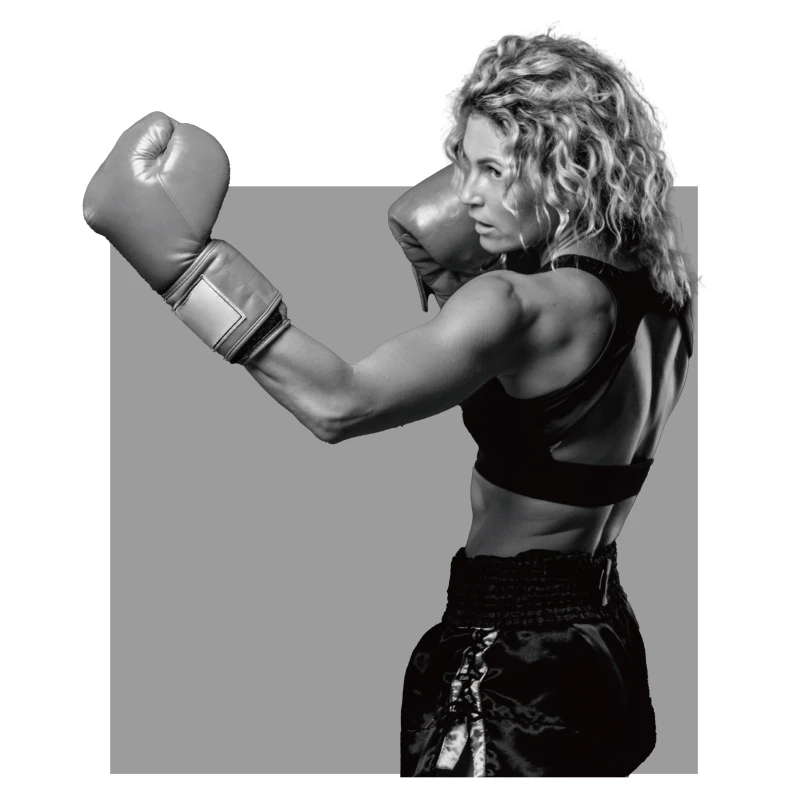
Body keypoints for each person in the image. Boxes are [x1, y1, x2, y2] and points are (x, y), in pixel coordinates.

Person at [84, 31, 693, 778]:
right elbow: (560, 409)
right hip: (601, 633)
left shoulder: (514, 305)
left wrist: (186, 272)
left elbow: (337, 403)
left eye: (495, 170)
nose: (467, 195)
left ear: (568, 167)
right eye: (464, 164)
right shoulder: (666, 292)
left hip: (508, 652)